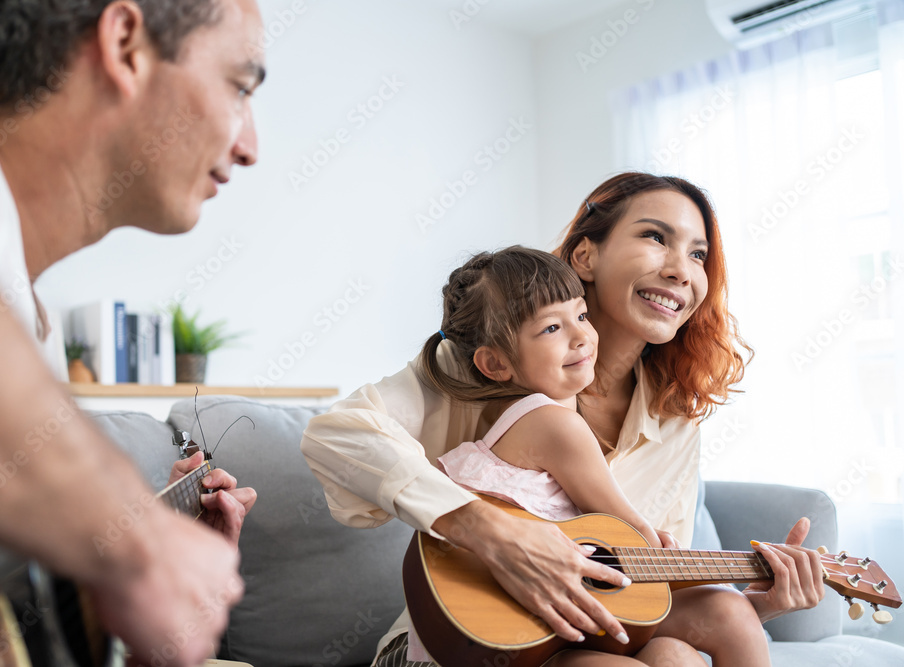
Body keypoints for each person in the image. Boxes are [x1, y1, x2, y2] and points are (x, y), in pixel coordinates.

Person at [301, 172, 827, 666]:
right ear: (585, 255)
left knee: (676, 656)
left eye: (698, 254)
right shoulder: (474, 368)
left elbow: (644, 592)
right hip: (461, 641)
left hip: (576, 636)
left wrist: (757, 606)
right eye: (655, 237)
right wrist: (488, 530)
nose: (681, 269)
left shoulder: (675, 421)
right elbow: (336, 437)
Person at [0, 0, 264, 665]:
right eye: (239, 87)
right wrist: (134, 541)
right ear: (126, 44)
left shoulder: (22, 327)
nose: (250, 147)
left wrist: (146, 585)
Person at [403, 245, 768, 666]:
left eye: (580, 315)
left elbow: (617, 549)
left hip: (535, 636)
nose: (581, 336)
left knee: (678, 652)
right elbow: (636, 532)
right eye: (551, 329)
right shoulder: (554, 424)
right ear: (495, 364)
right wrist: (663, 548)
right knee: (730, 613)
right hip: (512, 642)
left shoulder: (523, 421)